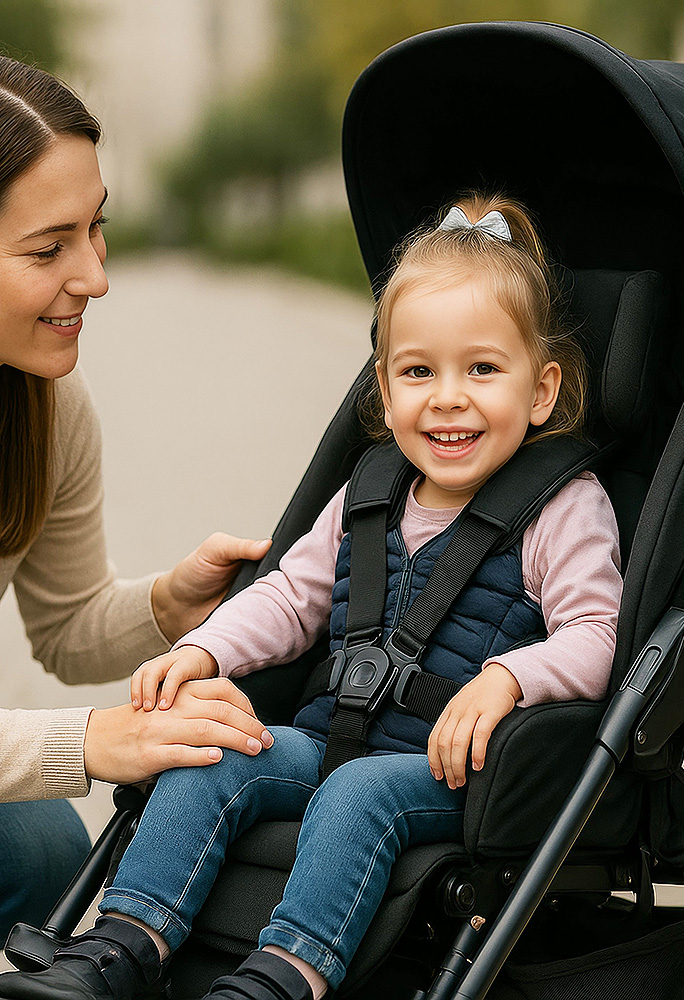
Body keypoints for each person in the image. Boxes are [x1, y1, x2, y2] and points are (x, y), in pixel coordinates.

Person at [0, 192, 623, 1000]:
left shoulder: (564, 508)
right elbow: (291, 599)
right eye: (417, 371)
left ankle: (284, 976)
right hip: (333, 739)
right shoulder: (370, 493)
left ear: (541, 392)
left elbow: (599, 633)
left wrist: (510, 678)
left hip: (456, 772)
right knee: (207, 749)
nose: (447, 396)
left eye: (482, 369)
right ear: (384, 387)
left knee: (361, 793)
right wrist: (204, 646)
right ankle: (122, 945)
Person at [0, 56, 275, 938]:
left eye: (95, 228)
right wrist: (89, 741)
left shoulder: (47, 408)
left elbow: (66, 623)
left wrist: (170, 604)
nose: (95, 276)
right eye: (49, 248)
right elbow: (81, 733)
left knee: (40, 845)